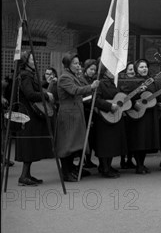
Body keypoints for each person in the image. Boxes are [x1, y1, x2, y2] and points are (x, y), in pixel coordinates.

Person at [55, 52, 99, 182]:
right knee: (67, 144)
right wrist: (91, 87)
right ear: (68, 65)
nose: (78, 65)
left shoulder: (74, 75)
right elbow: (74, 90)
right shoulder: (64, 77)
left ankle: (73, 169)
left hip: (76, 112)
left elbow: (80, 89)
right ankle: (66, 172)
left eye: (78, 63)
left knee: (75, 143)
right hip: (68, 114)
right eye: (75, 63)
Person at [14, 52, 55, 185]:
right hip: (28, 115)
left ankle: (27, 175)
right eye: (33, 59)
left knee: (30, 145)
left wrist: (45, 84)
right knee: (28, 145)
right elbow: (30, 94)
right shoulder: (26, 75)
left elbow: (34, 87)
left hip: (28, 114)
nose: (35, 60)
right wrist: (47, 95)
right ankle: (24, 176)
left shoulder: (27, 75)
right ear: (26, 61)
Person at [123, 58, 160, 174]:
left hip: (149, 114)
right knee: (138, 140)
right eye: (141, 67)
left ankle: (142, 164)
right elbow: (126, 98)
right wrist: (138, 91)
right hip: (137, 114)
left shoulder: (151, 80)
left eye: (145, 67)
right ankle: (138, 165)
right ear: (136, 69)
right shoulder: (132, 81)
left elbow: (154, 95)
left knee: (146, 141)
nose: (144, 69)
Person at [93, 65, 127, 178]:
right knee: (104, 145)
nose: (113, 71)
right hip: (104, 117)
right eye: (110, 69)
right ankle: (104, 168)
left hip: (115, 117)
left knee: (112, 144)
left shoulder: (115, 83)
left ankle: (108, 166)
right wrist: (109, 106)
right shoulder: (100, 83)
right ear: (104, 72)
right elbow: (96, 100)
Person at [82, 58, 98, 169]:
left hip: (93, 110)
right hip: (84, 110)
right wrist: (91, 96)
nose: (93, 72)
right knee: (85, 138)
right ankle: (84, 160)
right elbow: (82, 96)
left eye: (95, 70)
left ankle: (89, 159)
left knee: (91, 137)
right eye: (91, 69)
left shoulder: (95, 80)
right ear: (86, 69)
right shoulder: (82, 80)